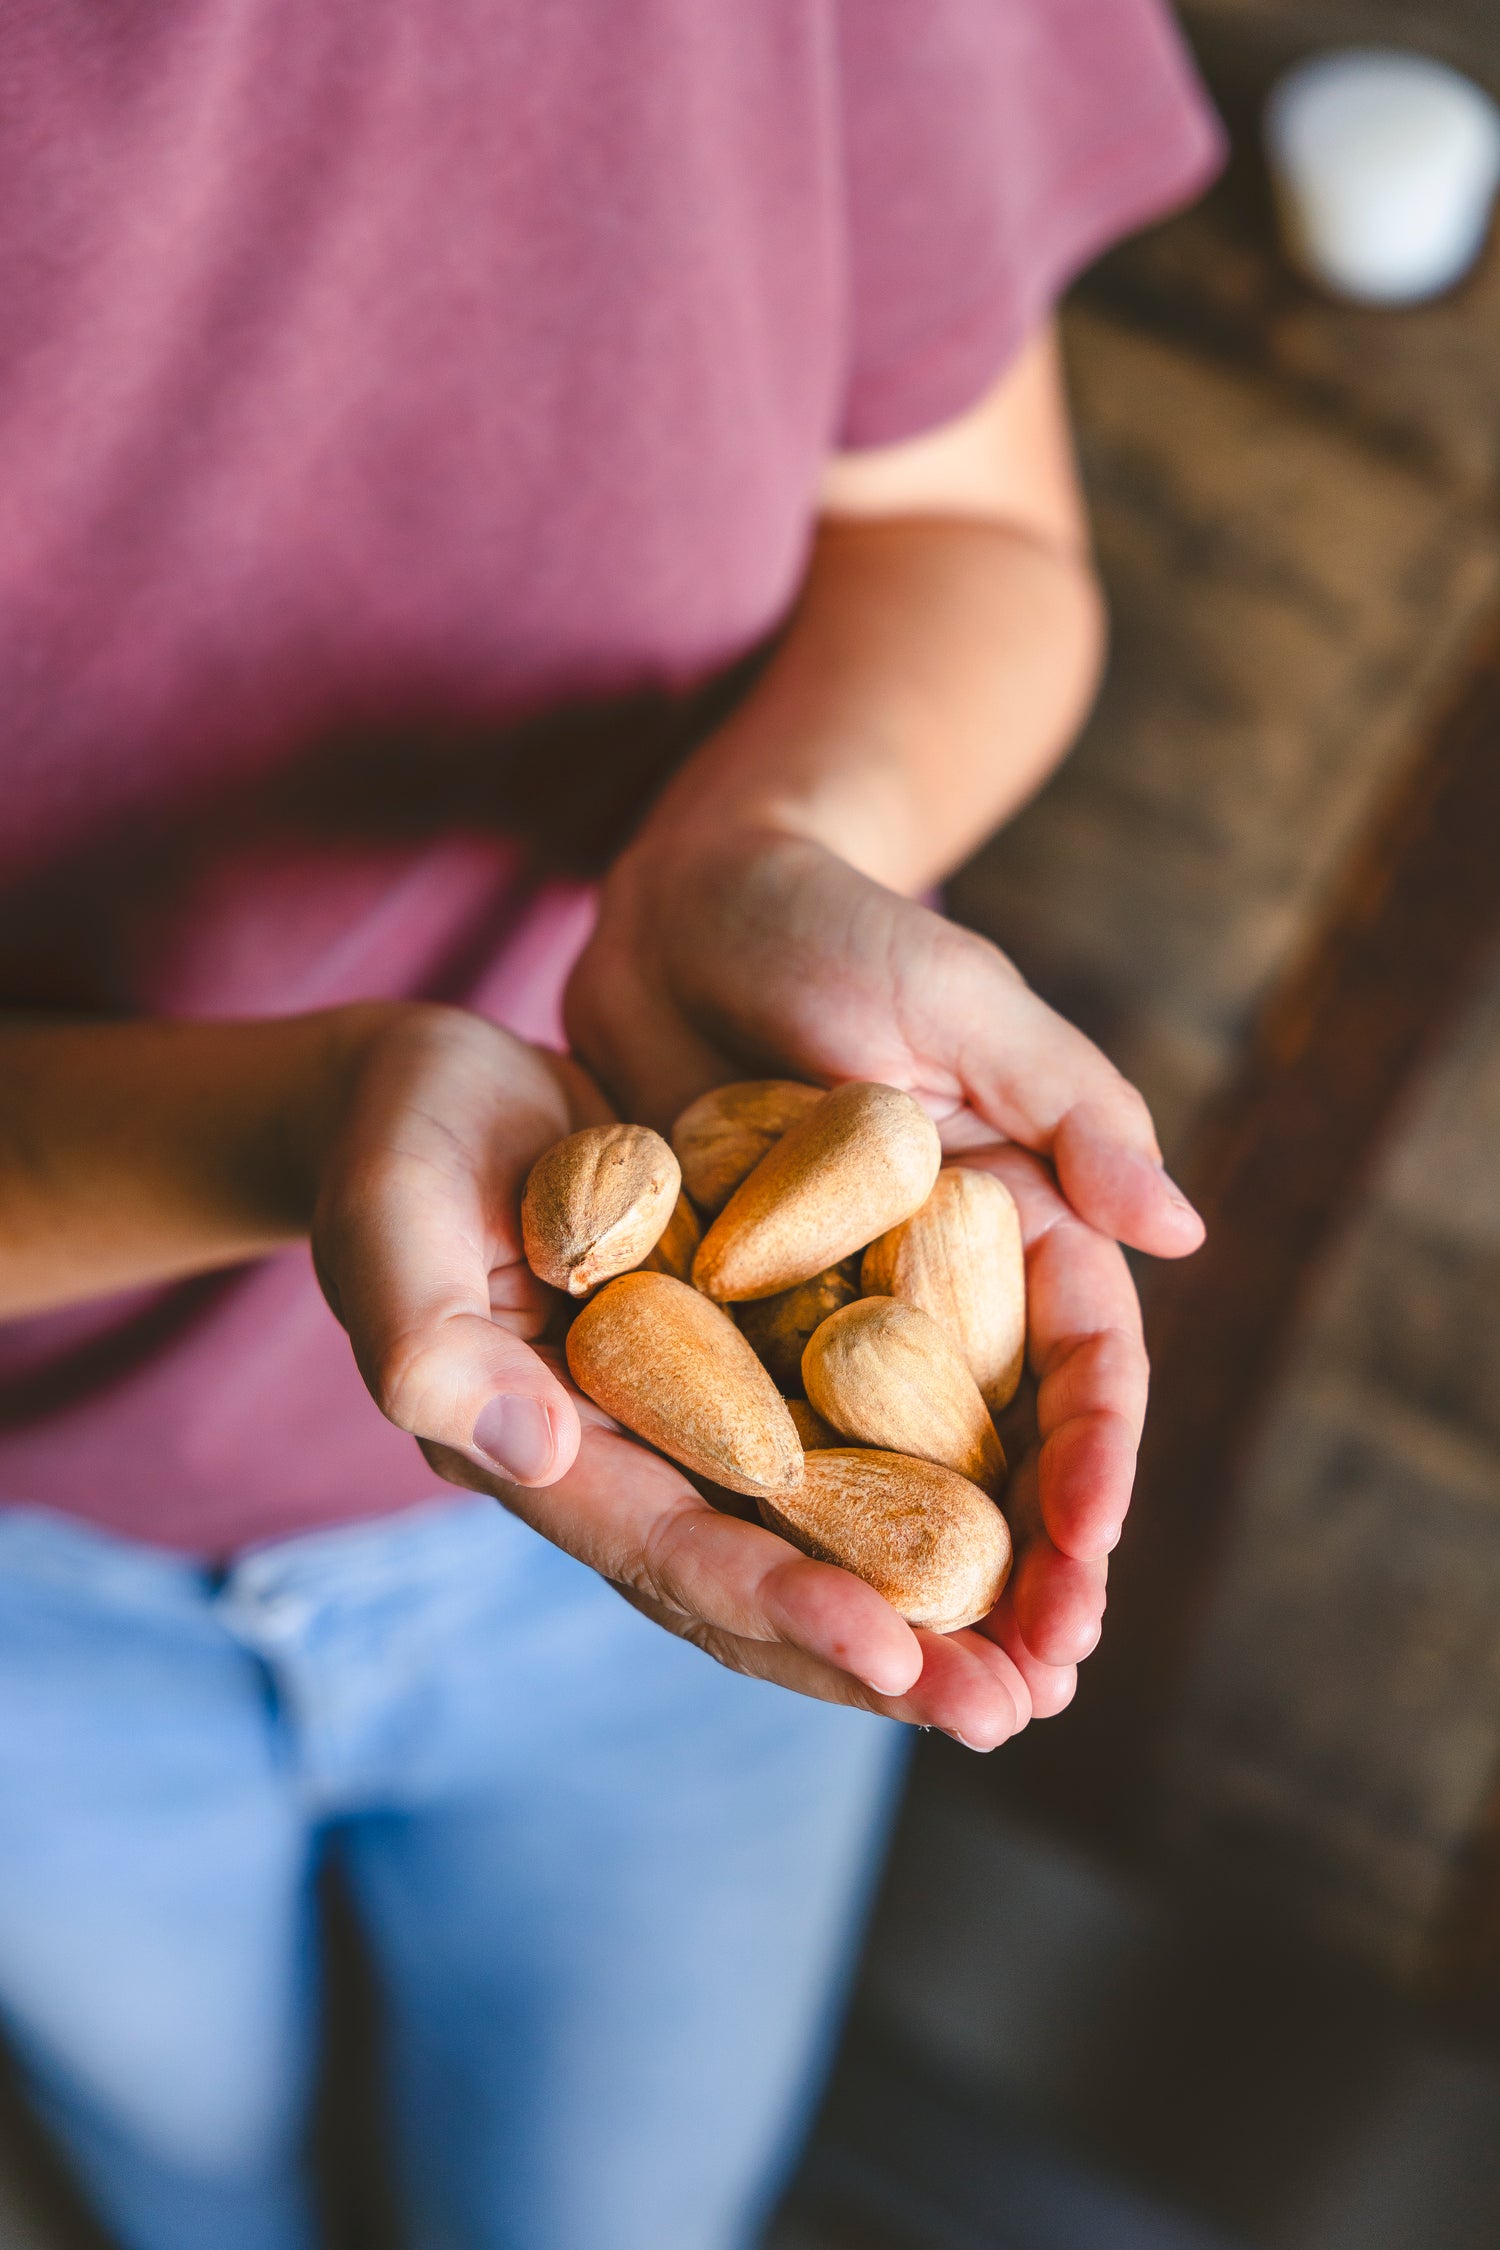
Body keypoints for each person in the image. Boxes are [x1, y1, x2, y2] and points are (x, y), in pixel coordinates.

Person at [0, 4, 1219, 2246]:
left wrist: (765, 835)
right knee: (183, 2190)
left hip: (632, 1624)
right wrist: (291, 1125)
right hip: (34, 1594)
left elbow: (971, 530)